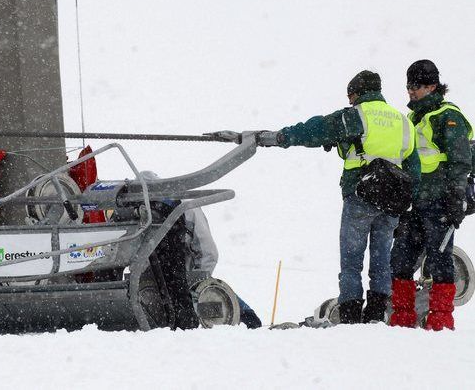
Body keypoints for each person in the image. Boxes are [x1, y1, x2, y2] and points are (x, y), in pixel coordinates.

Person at [215, 71, 419, 324]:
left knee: (352, 261)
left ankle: (352, 314)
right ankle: (377, 314)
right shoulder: (404, 123)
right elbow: (414, 170)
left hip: (361, 195)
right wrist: (407, 204)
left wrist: (280, 137)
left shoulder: (358, 116)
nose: (350, 101)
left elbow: (316, 129)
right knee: (381, 261)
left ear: (357, 93)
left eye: (350, 96)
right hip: (392, 203)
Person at [390, 60, 473, 331]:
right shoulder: (412, 119)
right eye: (408, 86)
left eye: (416, 86)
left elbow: (461, 161)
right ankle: (401, 317)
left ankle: (440, 320)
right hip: (413, 202)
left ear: (433, 86)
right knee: (400, 259)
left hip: (439, 202)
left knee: (440, 261)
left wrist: (456, 197)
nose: (411, 92)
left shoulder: (449, 116)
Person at [141, 171, 262, 329]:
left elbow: (208, 252)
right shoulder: (136, 212)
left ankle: (248, 319)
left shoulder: (185, 207)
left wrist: (198, 283)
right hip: (158, 282)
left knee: (221, 305)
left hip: (187, 275)